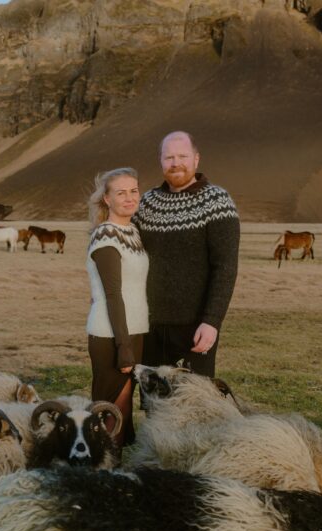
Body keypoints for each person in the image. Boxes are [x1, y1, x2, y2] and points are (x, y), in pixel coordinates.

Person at [132, 131, 239, 377]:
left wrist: (212, 321)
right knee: (154, 404)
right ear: (160, 161)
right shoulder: (146, 203)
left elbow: (225, 267)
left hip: (196, 327)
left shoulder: (217, 202)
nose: (176, 163)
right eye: (169, 157)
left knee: (194, 403)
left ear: (196, 159)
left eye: (182, 156)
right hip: (149, 326)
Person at [86, 167, 149, 449]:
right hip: (111, 335)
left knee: (123, 411)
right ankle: (100, 474)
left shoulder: (132, 232)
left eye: (134, 190)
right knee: (109, 412)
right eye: (120, 192)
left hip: (134, 330)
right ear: (107, 200)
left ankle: (113, 472)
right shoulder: (106, 235)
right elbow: (113, 294)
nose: (129, 197)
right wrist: (123, 346)